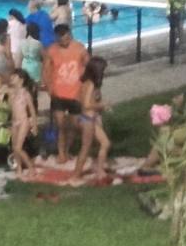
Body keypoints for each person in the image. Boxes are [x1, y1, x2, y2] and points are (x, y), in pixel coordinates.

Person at [43, 24, 88, 164]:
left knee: (74, 126)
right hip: (58, 95)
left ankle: (67, 150)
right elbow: (45, 71)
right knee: (60, 125)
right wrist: (50, 89)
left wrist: (86, 90)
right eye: (62, 39)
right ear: (57, 38)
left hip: (75, 94)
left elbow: (89, 67)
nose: (65, 41)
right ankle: (61, 153)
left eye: (67, 37)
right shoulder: (51, 51)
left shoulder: (80, 48)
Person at [72, 56, 110, 181]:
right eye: (103, 70)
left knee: (105, 143)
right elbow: (87, 104)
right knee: (85, 148)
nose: (104, 72)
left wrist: (99, 109)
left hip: (90, 118)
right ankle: (76, 174)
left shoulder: (86, 83)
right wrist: (101, 105)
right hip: (87, 119)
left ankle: (99, 170)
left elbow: (80, 99)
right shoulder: (90, 84)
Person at [8, 69, 38, 179]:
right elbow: (12, 111)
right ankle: (19, 168)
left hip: (23, 122)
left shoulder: (25, 93)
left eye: (14, 77)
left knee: (18, 148)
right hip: (15, 122)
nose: (11, 78)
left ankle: (31, 168)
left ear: (21, 80)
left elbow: (32, 110)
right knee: (14, 147)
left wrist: (34, 126)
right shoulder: (12, 93)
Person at [20, 22, 43, 87]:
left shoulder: (22, 42)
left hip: (24, 65)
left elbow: (21, 56)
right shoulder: (38, 43)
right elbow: (42, 57)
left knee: (27, 85)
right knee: (36, 86)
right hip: (35, 67)